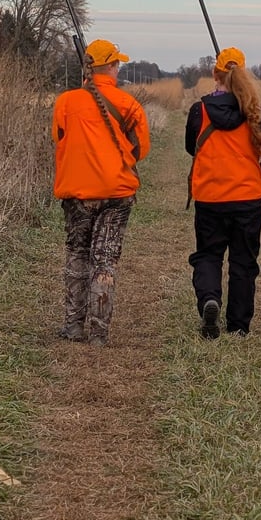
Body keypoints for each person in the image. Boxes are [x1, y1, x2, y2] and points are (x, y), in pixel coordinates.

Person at [51, 39, 151, 346]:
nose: (118, 68)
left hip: (77, 194)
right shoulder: (129, 105)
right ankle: (98, 332)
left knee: (77, 255)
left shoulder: (65, 103)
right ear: (110, 67)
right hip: (117, 194)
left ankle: (72, 326)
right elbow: (141, 150)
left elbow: (58, 138)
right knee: (105, 259)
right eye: (117, 64)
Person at [185, 47, 261, 339]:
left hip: (210, 198)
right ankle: (239, 326)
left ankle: (209, 300)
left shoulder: (198, 111)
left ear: (215, 75)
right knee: (244, 262)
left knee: (208, 255)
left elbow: (193, 147)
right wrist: (250, 171)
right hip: (248, 200)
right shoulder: (255, 114)